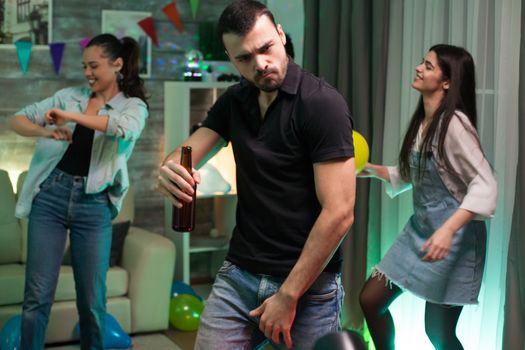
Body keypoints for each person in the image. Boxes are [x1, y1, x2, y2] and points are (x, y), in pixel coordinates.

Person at [157, 1, 356, 349]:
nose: (260, 64)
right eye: (244, 59)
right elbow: (184, 154)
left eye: (265, 48)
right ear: (231, 58)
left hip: (309, 287)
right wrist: (170, 171)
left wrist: (288, 296)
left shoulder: (322, 104)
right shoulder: (235, 101)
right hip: (239, 275)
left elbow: (339, 213)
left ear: (280, 34)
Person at [8, 33, 149, 349]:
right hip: (51, 197)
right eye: (84, 66)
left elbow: (122, 129)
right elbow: (17, 120)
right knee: (37, 294)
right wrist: (45, 130)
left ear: (117, 64)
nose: (87, 73)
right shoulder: (67, 96)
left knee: (92, 300)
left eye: (94, 66)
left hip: (94, 204)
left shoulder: (132, 106)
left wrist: (71, 118)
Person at [358, 44, 497, 350]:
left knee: (438, 333)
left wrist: (448, 230)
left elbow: (485, 185)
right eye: (423, 63)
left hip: (455, 242)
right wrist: (367, 169)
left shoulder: (456, 125)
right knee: (371, 299)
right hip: (420, 233)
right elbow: (415, 174)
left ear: (447, 82)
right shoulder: (425, 122)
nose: (419, 68)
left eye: (429, 66)